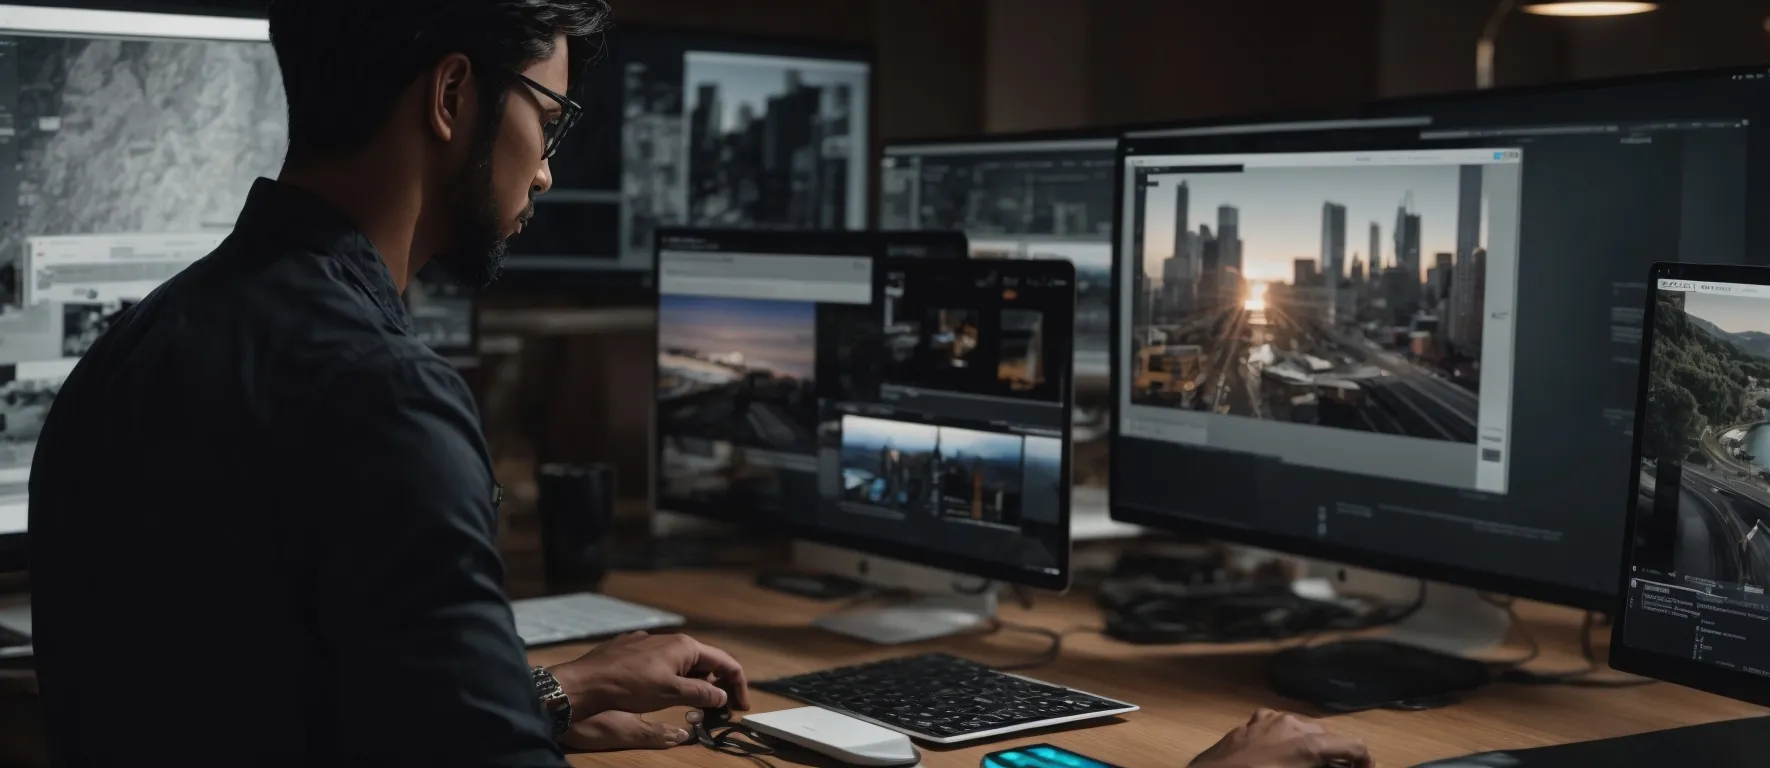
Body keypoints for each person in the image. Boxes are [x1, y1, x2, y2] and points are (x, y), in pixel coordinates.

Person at [25, 0, 1373, 765]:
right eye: (548, 121)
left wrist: (545, 700)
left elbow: (290, 718)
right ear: (451, 99)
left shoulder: (138, 354)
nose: (549, 168)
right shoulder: (377, 399)